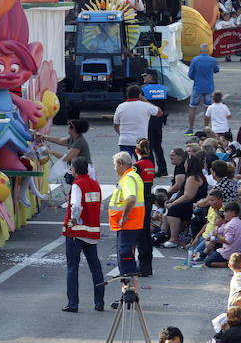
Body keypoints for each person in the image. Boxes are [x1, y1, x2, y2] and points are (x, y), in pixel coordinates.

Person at [62, 156, 105, 313]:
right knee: (96, 268)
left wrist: (72, 222)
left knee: (72, 268)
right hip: (92, 232)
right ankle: (99, 302)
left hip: (77, 232)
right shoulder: (95, 185)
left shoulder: (77, 185)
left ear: (74, 170)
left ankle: (73, 303)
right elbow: (99, 208)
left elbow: (76, 206)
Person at [108, 152, 145, 276]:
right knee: (125, 254)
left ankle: (128, 285)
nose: (114, 168)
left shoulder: (128, 178)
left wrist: (123, 217)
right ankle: (128, 282)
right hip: (131, 222)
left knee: (125, 255)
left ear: (121, 164)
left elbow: (131, 198)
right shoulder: (132, 176)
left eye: (114, 165)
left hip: (128, 223)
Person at [113, 85, 161, 158]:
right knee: (142, 165)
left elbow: (116, 125)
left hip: (125, 141)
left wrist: (121, 134)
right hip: (141, 142)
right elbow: (159, 112)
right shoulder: (146, 106)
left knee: (125, 166)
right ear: (139, 95)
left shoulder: (121, 107)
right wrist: (145, 100)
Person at [187, 43, 219, 135]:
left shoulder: (195, 60)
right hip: (209, 87)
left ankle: (190, 128)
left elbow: (190, 74)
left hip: (197, 87)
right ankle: (206, 128)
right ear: (208, 51)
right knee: (207, 108)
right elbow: (216, 70)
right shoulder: (212, 60)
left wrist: (196, 78)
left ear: (200, 51)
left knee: (193, 107)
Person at [141, 70, 168, 177]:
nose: (143, 77)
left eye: (145, 76)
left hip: (148, 121)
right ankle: (163, 169)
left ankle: (150, 170)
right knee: (158, 146)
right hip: (159, 120)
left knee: (149, 147)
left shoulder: (143, 90)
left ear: (151, 77)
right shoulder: (163, 89)